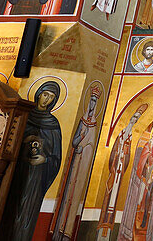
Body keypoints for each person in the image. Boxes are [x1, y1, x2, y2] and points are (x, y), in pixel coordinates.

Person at [5, 81, 63, 241]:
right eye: (45, 95)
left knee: (28, 212)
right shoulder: (23, 115)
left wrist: (45, 160)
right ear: (38, 93)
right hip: (16, 170)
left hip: (37, 177)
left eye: (51, 97)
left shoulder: (53, 125)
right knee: (9, 206)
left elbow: (56, 157)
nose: (47, 100)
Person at [52, 85, 100, 241]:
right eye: (91, 101)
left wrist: (85, 145)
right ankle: (59, 229)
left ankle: (68, 231)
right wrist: (80, 142)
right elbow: (74, 141)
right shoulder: (82, 121)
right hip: (75, 162)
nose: (92, 104)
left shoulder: (94, 124)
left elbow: (92, 144)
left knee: (77, 193)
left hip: (83, 164)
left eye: (95, 101)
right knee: (67, 195)